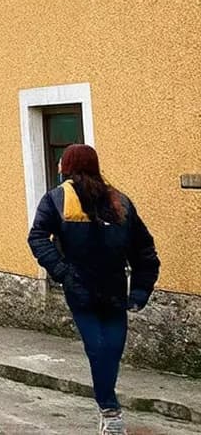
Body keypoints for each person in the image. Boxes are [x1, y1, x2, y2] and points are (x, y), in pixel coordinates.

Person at [28, 144, 159, 434]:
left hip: (112, 293)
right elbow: (38, 237)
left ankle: (107, 408)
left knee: (111, 350)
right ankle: (110, 412)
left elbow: (143, 250)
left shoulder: (118, 202)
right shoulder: (59, 199)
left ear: (67, 167)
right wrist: (63, 272)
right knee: (99, 348)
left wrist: (139, 291)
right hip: (84, 292)